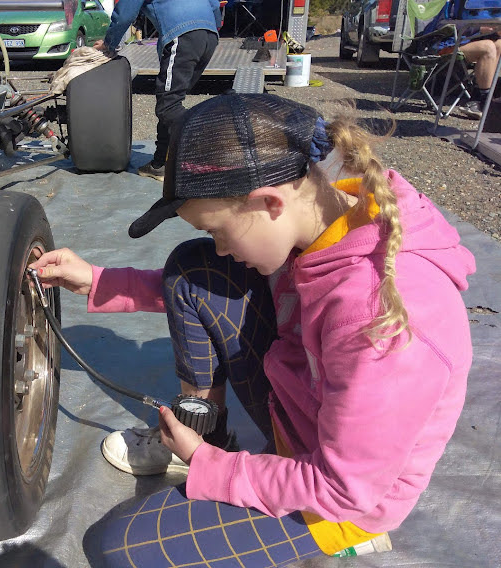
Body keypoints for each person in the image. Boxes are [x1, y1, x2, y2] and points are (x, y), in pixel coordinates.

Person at [30, 93, 476, 565]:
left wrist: (211, 469)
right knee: (193, 271)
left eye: (219, 231)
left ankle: (341, 529)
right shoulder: (321, 218)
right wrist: (98, 281)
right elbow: (208, 282)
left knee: (119, 549)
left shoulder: (377, 315)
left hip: (341, 499)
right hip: (301, 408)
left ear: (269, 201)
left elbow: (345, 488)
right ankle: (208, 432)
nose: (221, 247)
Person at [94, 0, 222, 182]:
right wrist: (209, 28)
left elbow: (124, 15)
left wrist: (109, 43)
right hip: (209, 35)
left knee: (168, 107)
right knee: (171, 103)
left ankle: (215, 145)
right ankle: (160, 164)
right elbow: (215, 5)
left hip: (183, 33)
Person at [423, 0, 501, 119]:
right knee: (488, 47)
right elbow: (442, 25)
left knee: (499, 44)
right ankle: (486, 103)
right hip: (449, 45)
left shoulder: (493, 3)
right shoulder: (458, 3)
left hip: (479, 43)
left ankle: (477, 98)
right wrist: (478, 28)